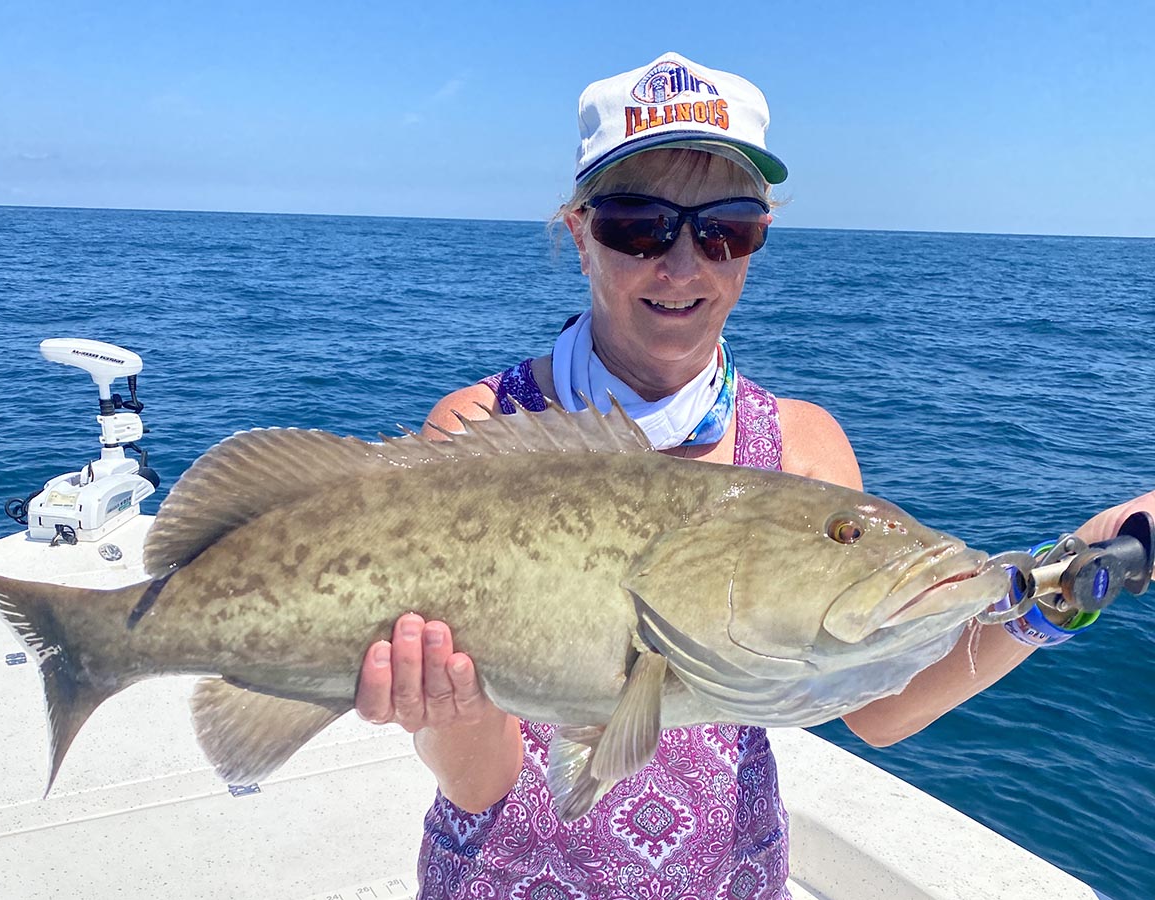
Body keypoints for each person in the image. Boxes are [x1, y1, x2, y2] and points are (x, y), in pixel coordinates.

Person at [353, 52, 1155, 899]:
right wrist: (444, 706)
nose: (684, 264)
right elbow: (480, 785)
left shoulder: (802, 447)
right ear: (579, 230)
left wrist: (1074, 582)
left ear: (757, 240)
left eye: (725, 226)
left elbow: (880, 709)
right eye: (638, 222)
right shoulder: (483, 431)